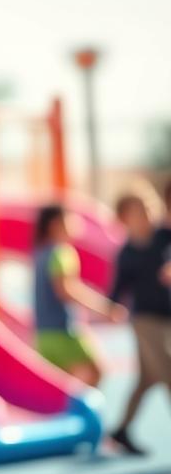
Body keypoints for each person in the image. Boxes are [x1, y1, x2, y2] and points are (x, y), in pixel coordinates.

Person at [32, 203, 127, 386]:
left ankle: (73, 408)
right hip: (64, 332)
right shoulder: (62, 252)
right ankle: (86, 411)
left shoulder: (40, 253)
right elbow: (67, 290)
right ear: (55, 224)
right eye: (70, 217)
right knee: (98, 370)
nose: (77, 222)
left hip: (43, 336)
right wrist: (105, 308)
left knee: (62, 386)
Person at [106, 191, 171, 456]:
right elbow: (118, 287)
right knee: (167, 370)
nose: (146, 214)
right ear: (125, 219)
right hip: (145, 320)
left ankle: (122, 429)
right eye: (138, 210)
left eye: (148, 207)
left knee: (148, 378)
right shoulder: (127, 253)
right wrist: (111, 307)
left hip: (166, 316)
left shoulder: (164, 237)